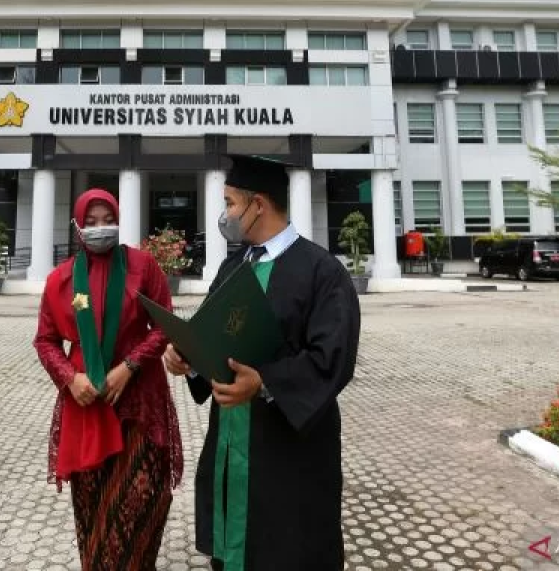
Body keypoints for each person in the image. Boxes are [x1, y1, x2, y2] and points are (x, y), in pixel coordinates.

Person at [164, 155, 361, 571]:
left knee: (286, 548)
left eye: (231, 204)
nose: (226, 216)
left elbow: (334, 360)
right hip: (230, 443)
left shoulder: (322, 271)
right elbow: (214, 340)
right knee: (233, 548)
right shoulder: (234, 266)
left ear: (258, 205)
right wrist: (189, 358)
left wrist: (265, 382)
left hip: (289, 451)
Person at [33, 188, 183, 571]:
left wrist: (129, 365)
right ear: (78, 227)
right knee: (93, 505)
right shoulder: (61, 280)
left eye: (108, 220)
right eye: (92, 222)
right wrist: (70, 378)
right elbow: (46, 340)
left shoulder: (142, 266)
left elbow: (164, 324)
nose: (101, 228)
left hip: (139, 402)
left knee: (142, 500)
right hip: (87, 405)